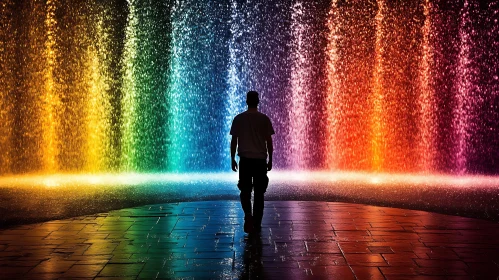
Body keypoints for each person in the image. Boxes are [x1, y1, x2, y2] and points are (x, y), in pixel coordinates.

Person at [230, 91, 275, 233]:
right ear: (258, 101)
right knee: (259, 192)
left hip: (245, 160)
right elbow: (269, 141)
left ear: (246, 101)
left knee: (245, 190)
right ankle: (257, 222)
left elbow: (234, 141)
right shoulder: (264, 119)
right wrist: (271, 159)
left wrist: (232, 158)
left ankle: (248, 215)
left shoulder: (239, 119)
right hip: (260, 160)